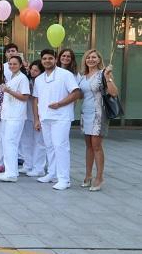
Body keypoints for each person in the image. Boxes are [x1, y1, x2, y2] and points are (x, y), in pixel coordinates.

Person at [33, 49, 81, 190]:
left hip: (61, 117)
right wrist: (36, 119)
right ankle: (52, 173)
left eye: (50, 58)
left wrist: (60, 104)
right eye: (44, 59)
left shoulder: (65, 75)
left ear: (55, 59)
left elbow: (76, 93)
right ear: (41, 60)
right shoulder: (39, 79)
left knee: (61, 147)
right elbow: (36, 99)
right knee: (50, 147)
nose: (47, 61)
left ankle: (64, 179)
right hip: (45, 118)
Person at [78, 49, 118, 192]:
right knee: (88, 146)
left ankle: (99, 177)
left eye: (94, 57)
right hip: (85, 113)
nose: (91, 59)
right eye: (88, 57)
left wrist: (108, 77)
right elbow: (80, 94)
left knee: (96, 146)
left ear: (99, 60)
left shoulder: (103, 74)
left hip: (99, 113)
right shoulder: (82, 76)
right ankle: (88, 175)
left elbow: (114, 92)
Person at [0, 56, 31, 182]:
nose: (12, 66)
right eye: (10, 64)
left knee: (11, 143)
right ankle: (11, 171)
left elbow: (25, 97)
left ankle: (11, 173)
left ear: (21, 65)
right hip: (7, 115)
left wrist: (8, 91)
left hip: (16, 116)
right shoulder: (12, 78)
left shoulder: (22, 79)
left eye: (15, 64)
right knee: (6, 143)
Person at [19, 60, 47, 177]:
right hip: (27, 114)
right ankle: (28, 164)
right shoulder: (27, 80)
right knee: (26, 141)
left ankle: (39, 167)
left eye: (36, 70)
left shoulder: (44, 82)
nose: (33, 72)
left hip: (39, 115)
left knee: (39, 142)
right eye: (32, 69)